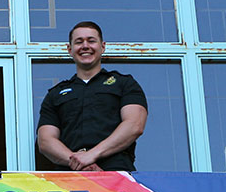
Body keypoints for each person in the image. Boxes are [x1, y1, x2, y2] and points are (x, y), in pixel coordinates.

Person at [36, 21, 148, 172]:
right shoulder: (55, 94)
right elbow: (45, 140)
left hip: (117, 174)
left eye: (91, 40)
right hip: (69, 179)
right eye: (79, 42)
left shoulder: (124, 84)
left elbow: (134, 125)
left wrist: (92, 155)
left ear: (102, 47)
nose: (85, 46)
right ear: (70, 49)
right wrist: (78, 162)